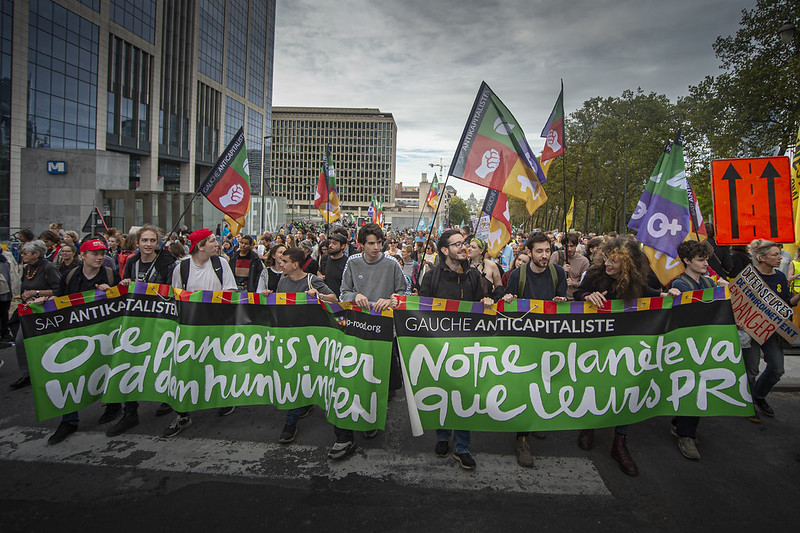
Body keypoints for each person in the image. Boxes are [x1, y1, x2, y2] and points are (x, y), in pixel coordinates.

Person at [572, 237, 681, 476]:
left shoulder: (634, 281)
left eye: (615, 261)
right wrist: (586, 297)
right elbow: (578, 293)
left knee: (626, 390)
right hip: (597, 345)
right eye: (607, 259)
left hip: (625, 346)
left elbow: (648, 293)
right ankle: (588, 427)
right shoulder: (594, 274)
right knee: (595, 386)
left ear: (628, 265)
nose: (608, 264)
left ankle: (619, 443)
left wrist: (667, 295)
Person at [329, 223, 410, 460]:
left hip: (386, 331)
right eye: (371, 243)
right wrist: (356, 295)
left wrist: (391, 299)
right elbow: (343, 292)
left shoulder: (392, 264)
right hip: (357, 329)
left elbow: (404, 291)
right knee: (357, 375)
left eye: (379, 243)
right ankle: (351, 427)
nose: (376, 247)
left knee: (379, 377)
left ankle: (373, 416)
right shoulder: (352, 263)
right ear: (361, 244)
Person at [419, 229, 493, 471]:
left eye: (465, 243)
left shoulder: (474, 276)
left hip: (466, 347)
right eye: (458, 244)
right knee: (441, 393)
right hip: (438, 346)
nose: (464, 247)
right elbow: (420, 309)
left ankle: (461, 447)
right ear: (444, 250)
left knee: (463, 395)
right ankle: (442, 436)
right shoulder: (431, 277)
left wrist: (486, 302)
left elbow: (485, 303)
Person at [162, 229, 237, 438]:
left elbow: (230, 291)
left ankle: (224, 399)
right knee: (186, 368)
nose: (217, 243)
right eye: (213, 241)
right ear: (200, 246)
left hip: (216, 325)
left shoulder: (221, 264)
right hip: (190, 326)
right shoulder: (182, 267)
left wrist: (208, 299)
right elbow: (176, 294)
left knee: (218, 363)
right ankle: (183, 414)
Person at [502, 232, 567, 467]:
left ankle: (538, 420)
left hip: (549, 340)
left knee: (545, 384)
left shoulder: (557, 272)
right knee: (524, 388)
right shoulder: (518, 275)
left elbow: (563, 301)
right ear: (529, 252)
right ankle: (522, 438)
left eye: (548, 251)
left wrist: (562, 302)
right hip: (523, 342)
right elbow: (508, 305)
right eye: (539, 251)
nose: (544, 255)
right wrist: (508, 298)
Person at [47, 238, 121, 445]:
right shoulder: (69, 276)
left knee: (108, 368)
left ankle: (114, 406)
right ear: (83, 256)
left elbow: (122, 302)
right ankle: (69, 420)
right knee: (70, 374)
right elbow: (59, 299)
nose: (99, 257)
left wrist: (112, 291)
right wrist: (44, 302)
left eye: (102, 254)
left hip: (104, 332)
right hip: (75, 334)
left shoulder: (110, 274)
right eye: (94, 254)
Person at [269, 247, 337, 444]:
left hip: (308, 337)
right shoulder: (283, 281)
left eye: (284, 261)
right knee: (296, 375)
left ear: (295, 265)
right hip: (288, 336)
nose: (280, 264)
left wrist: (319, 295)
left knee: (296, 376)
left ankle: (290, 423)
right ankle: (305, 402)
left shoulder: (311, 280)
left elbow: (334, 299)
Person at [667, 240, 727, 460]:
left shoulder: (708, 282)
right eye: (701, 260)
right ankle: (685, 434)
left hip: (705, 344)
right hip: (687, 345)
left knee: (698, 385)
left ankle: (681, 423)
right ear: (687, 261)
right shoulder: (680, 285)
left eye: (706, 259)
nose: (705, 263)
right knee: (693, 386)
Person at [742, 240, 800, 423]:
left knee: (777, 368)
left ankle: (759, 395)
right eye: (775, 254)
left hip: (772, 331)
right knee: (751, 370)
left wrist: (797, 297)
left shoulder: (780, 278)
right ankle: (748, 403)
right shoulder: (748, 276)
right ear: (761, 258)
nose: (780, 258)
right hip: (750, 331)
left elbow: (784, 304)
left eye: (779, 254)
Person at [10, 240, 62, 390]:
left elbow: (58, 289)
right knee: (21, 341)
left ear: (36, 254)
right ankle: (27, 374)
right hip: (28, 309)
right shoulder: (27, 268)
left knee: (42, 343)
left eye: (25, 253)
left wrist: (37, 293)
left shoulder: (49, 268)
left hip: (43, 311)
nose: (22, 255)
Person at [549, 232, 590, 300]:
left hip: (575, 299)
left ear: (576, 245)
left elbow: (586, 284)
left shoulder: (584, 261)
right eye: (566, 246)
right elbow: (548, 276)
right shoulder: (556, 256)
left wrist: (573, 283)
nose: (569, 249)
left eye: (572, 246)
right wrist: (560, 270)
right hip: (558, 298)